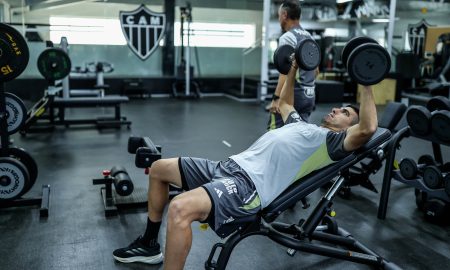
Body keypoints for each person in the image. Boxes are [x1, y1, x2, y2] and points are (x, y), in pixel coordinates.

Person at [112, 57, 378, 269]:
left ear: (348, 128)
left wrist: (365, 81)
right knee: (159, 169)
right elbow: (284, 102)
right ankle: (149, 244)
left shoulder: (330, 144)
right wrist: (294, 67)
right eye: (339, 107)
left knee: (180, 208)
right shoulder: (302, 125)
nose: (336, 110)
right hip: (227, 167)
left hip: (248, 188)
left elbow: (367, 129)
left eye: (345, 113)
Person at [268, 0, 318, 130]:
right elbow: (316, 70)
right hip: (309, 96)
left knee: (274, 132)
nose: (279, 19)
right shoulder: (309, 36)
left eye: (279, 15)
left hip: (293, 95)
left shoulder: (288, 37)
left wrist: (277, 98)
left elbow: (285, 72)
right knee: (299, 135)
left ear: (284, 15)